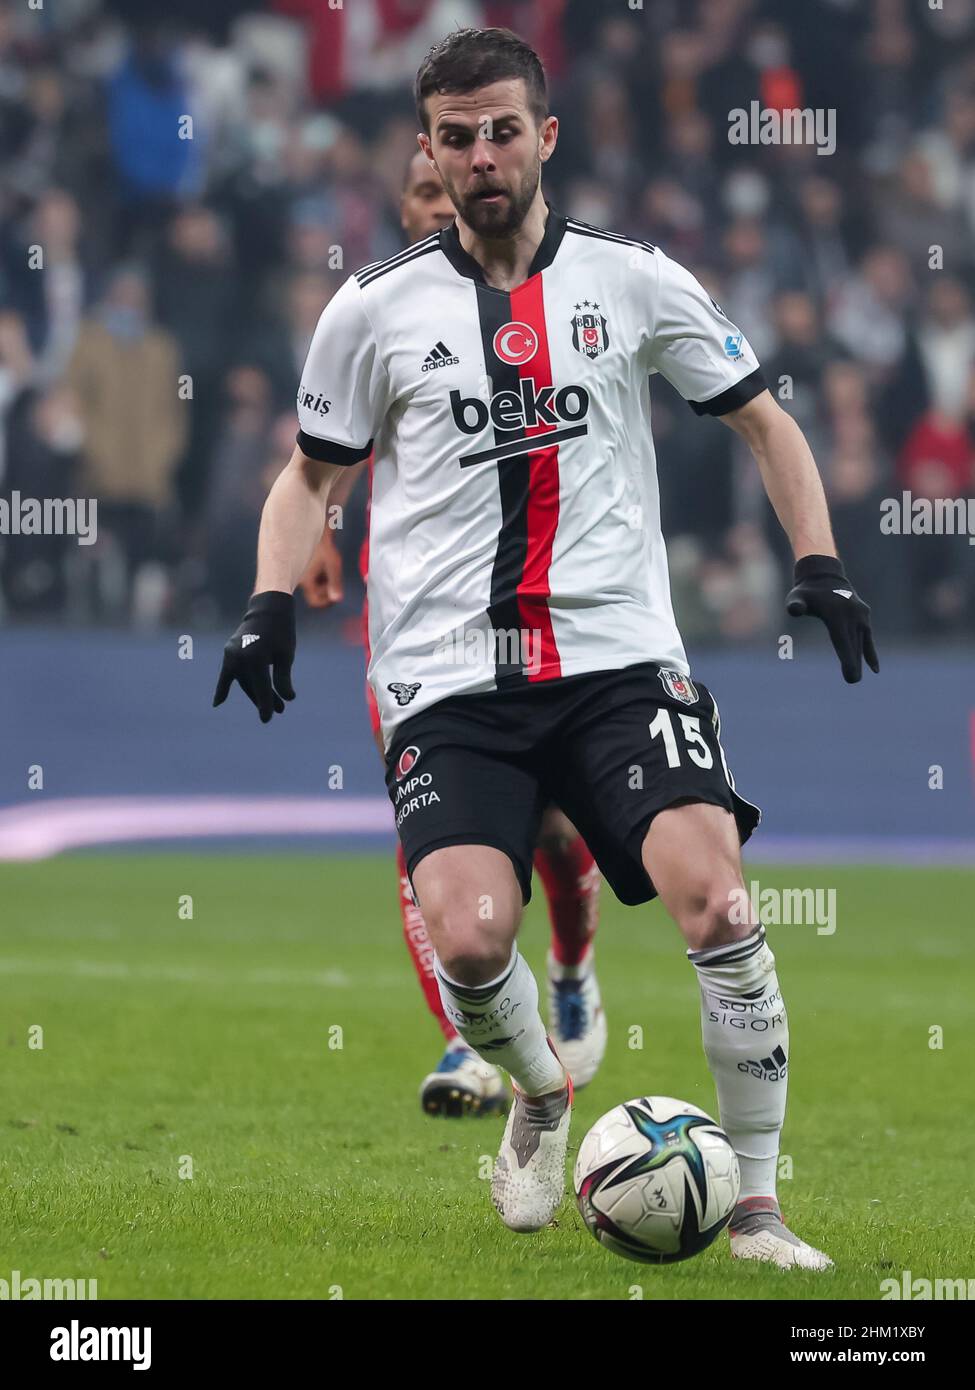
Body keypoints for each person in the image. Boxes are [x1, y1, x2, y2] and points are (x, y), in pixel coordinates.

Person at [214, 27, 878, 1269]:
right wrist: (266, 600)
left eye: (502, 131)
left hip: (619, 659)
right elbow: (307, 476)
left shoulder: (632, 281)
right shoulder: (372, 310)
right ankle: (537, 1088)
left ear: (546, 138)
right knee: (469, 935)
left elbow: (767, 424)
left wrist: (821, 561)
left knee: (721, 897)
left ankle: (758, 1208)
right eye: (456, 138)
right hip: (449, 678)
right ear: (427, 152)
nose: (481, 157)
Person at [298, 150, 605, 1119]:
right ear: (406, 207)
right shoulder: (385, 312)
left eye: (454, 189)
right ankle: (469, 1039)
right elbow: (326, 446)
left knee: (557, 825)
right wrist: (314, 526)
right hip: (420, 629)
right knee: (428, 831)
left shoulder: (553, 296)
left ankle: (571, 965)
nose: (445, 204)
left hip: (549, 614)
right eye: (425, 193)